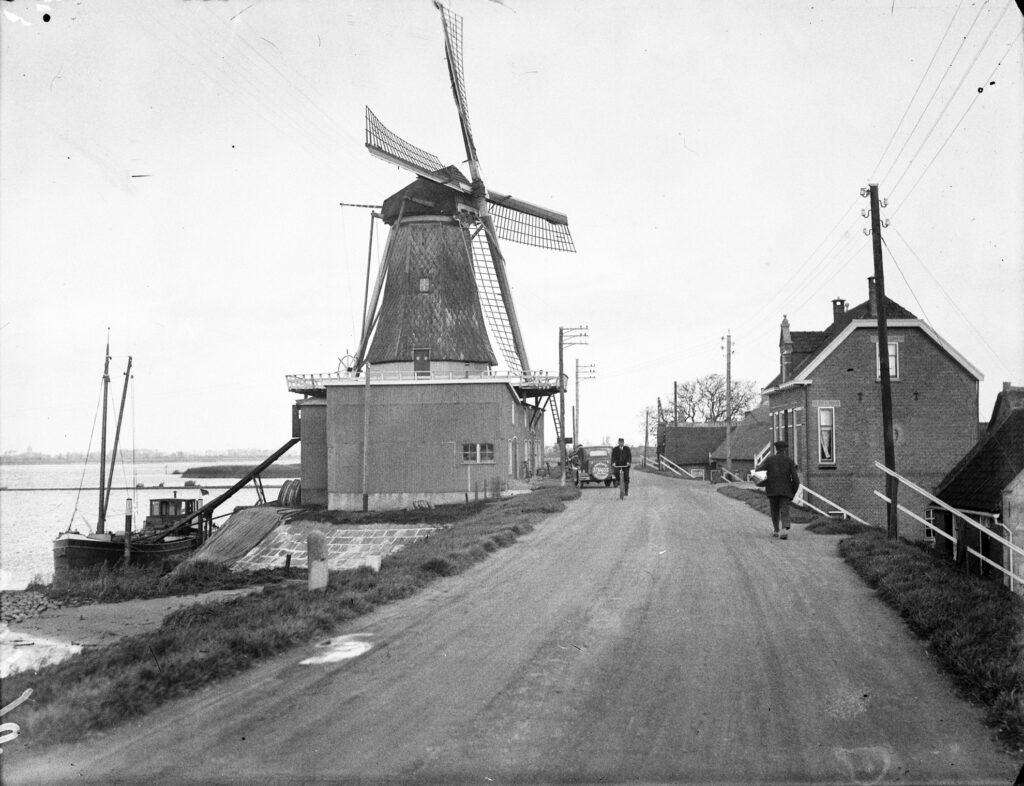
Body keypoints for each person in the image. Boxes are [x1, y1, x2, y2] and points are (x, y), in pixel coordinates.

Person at [756, 440, 800, 539]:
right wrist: (793, 491)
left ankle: (776, 530)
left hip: (772, 490)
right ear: (785, 449)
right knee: (784, 510)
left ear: (776, 449)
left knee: (774, 510)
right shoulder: (789, 461)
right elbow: (796, 480)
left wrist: (757, 474)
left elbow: (759, 471)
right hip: (785, 491)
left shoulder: (770, 460)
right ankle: (784, 530)